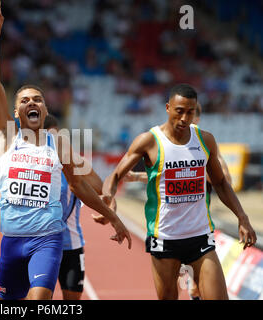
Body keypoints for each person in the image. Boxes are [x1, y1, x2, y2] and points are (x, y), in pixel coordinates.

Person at [0, 0, 131, 300]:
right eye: (24, 100)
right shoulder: (6, 136)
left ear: (46, 108)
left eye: (37, 99)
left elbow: (80, 185)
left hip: (48, 240)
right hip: (11, 240)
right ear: (14, 113)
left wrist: (112, 215)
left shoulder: (58, 144)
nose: (32, 103)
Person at [101, 83, 256, 300]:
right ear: (167, 108)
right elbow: (115, 175)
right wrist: (108, 197)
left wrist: (242, 217)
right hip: (165, 238)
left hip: (200, 236)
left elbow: (221, 183)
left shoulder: (205, 140)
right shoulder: (149, 141)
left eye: (190, 112)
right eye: (179, 111)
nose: (184, 118)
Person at [116, 101, 233, 300]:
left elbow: (224, 181)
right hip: (169, 233)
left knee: (197, 288)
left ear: (198, 118)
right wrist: (139, 177)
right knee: (180, 289)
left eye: (192, 116)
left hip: (198, 227)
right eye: (182, 114)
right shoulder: (163, 142)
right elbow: (168, 175)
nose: (186, 120)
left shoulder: (204, 145)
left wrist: (200, 173)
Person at [44, 114, 104, 300]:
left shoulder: (73, 161)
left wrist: (109, 212)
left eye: (56, 137)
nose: (53, 142)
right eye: (48, 137)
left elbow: (100, 188)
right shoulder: (34, 164)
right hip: (41, 244)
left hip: (71, 245)